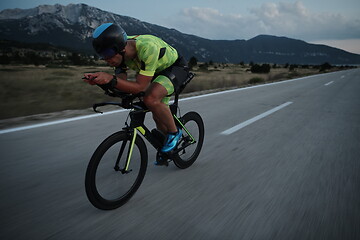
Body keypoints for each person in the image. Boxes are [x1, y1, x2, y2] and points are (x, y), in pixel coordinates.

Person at [83, 23, 189, 155]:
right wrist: (101, 82)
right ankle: (170, 150)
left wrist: (110, 79)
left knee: (151, 98)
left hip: (175, 67)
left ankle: (175, 133)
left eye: (108, 53)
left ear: (120, 48)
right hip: (156, 71)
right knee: (157, 115)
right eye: (103, 56)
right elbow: (121, 84)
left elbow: (140, 87)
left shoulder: (147, 48)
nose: (107, 59)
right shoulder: (118, 54)